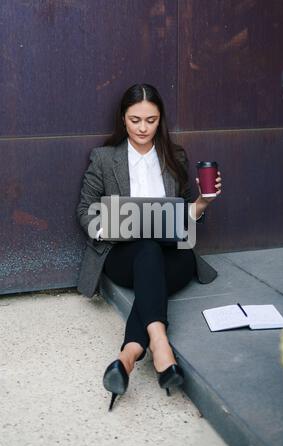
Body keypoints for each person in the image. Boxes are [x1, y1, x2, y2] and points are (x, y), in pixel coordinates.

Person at [76, 84, 222, 411]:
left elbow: (184, 214)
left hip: (173, 255)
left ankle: (128, 355)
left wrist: (202, 202)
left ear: (161, 120)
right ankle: (159, 345)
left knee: (155, 251)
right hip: (124, 255)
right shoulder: (104, 159)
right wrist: (106, 226)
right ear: (123, 119)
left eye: (151, 120)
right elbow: (84, 210)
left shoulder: (175, 155)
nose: (143, 128)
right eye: (135, 120)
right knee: (145, 245)